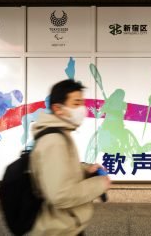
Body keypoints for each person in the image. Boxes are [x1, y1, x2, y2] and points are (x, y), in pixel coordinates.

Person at [29, 79, 110, 236]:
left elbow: (58, 171)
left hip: (65, 226)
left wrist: (86, 170)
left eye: (82, 103)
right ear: (58, 109)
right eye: (76, 103)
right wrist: (100, 183)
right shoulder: (54, 141)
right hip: (58, 230)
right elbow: (60, 195)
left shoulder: (60, 134)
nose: (82, 109)